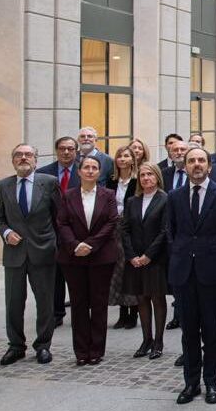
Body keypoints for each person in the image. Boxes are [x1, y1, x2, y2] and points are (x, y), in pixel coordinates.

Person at [167, 147, 216, 405]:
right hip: (184, 274)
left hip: (213, 273)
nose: (196, 165)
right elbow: (171, 233)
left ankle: (211, 382)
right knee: (188, 332)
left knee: (211, 331)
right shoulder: (174, 197)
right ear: (184, 166)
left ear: (209, 166)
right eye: (191, 161)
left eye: (201, 160)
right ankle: (190, 383)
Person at [0, 144, 60, 365]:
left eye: (28, 155)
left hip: (43, 252)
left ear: (36, 159)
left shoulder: (49, 183)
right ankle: (15, 346)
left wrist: (56, 247)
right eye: (18, 155)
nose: (23, 158)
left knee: (44, 302)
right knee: (13, 303)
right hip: (14, 253)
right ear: (13, 160)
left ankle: (43, 346)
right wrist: (6, 232)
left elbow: (58, 217)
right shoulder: (4, 185)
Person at [55, 155, 121, 366]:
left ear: (99, 173)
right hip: (73, 257)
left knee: (99, 304)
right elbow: (62, 223)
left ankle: (96, 350)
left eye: (94, 168)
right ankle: (81, 351)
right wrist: (75, 245)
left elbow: (112, 222)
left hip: (101, 256)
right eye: (86, 167)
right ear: (79, 171)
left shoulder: (108, 194)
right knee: (79, 304)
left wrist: (91, 244)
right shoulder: (68, 195)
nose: (90, 171)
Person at [120, 162, 170, 359]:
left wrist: (149, 255)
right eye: (142, 175)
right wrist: (132, 255)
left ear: (157, 177)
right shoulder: (132, 200)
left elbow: (165, 231)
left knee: (157, 298)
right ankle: (146, 339)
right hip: (135, 259)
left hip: (155, 258)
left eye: (150, 174)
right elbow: (125, 229)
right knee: (141, 298)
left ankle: (158, 341)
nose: (146, 178)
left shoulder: (165, 199)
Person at [37, 136, 78, 327]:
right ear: (56, 150)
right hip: (50, 232)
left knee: (77, 276)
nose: (66, 152)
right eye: (62, 148)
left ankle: (80, 311)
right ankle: (56, 312)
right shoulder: (43, 173)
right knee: (55, 275)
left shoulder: (85, 170)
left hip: (77, 233)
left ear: (76, 151)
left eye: (70, 149)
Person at [106, 145, 140, 331]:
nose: (123, 159)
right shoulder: (111, 182)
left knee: (130, 271)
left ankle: (133, 312)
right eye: (120, 156)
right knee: (117, 272)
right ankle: (122, 313)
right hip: (113, 230)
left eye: (127, 156)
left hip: (131, 230)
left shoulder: (137, 182)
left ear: (132, 160)